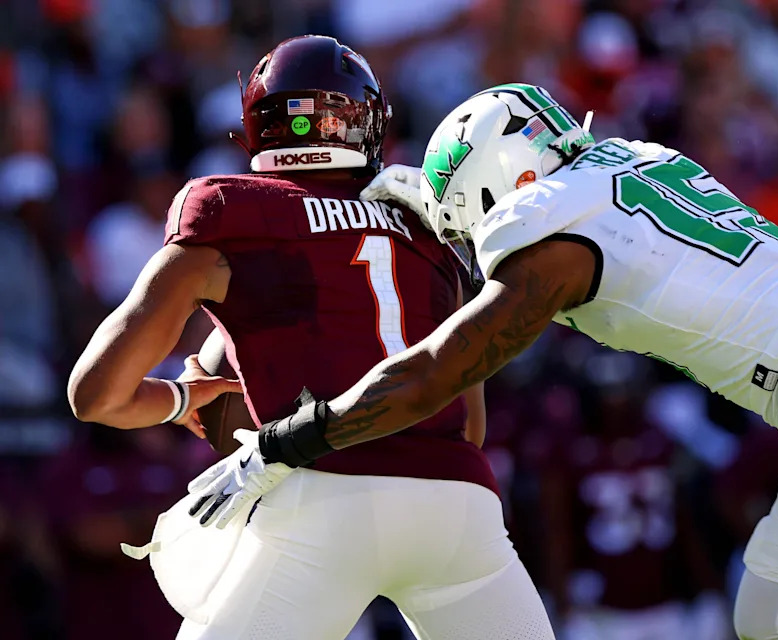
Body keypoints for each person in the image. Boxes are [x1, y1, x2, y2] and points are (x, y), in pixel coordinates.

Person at [224, 83, 778, 640]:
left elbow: (437, 372)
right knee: (776, 613)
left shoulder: (548, 232)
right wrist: (436, 192)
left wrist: (294, 439)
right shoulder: (637, 158)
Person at [68, 40, 555, 640]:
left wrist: (180, 398)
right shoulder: (429, 236)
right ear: (367, 123)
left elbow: (96, 395)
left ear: (257, 127)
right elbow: (469, 426)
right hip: (457, 504)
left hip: (320, 497)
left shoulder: (228, 209)